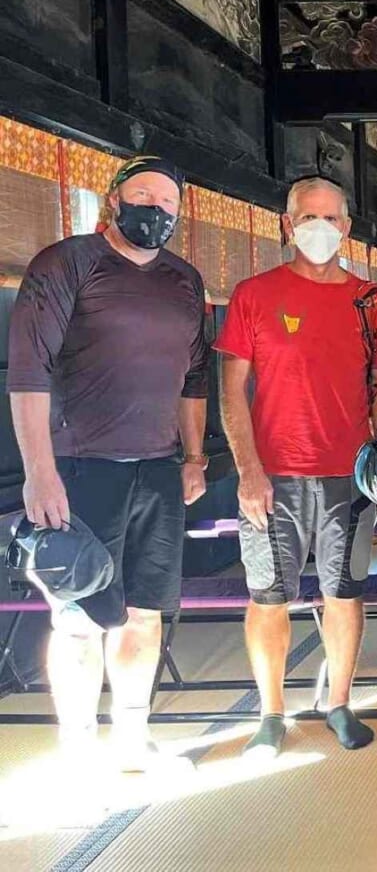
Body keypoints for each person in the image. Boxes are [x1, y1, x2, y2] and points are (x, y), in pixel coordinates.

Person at [7, 156, 209, 770]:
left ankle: (131, 736)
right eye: (142, 193)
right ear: (113, 197)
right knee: (78, 619)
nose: (155, 208)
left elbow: (194, 376)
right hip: (79, 467)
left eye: (168, 201)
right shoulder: (67, 262)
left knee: (145, 615)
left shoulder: (184, 279)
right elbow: (27, 372)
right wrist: (39, 471)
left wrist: (195, 456)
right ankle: (75, 750)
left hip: (158, 468)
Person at [216, 176, 377, 757]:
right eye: (306, 217)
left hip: (348, 476)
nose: (319, 228)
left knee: (345, 591)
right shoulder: (254, 294)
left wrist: (368, 423)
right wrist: (248, 470)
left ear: (346, 228)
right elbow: (231, 393)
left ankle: (339, 702)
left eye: (330, 219)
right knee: (268, 594)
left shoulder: (369, 298)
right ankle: (271, 714)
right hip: (274, 474)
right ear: (286, 225)